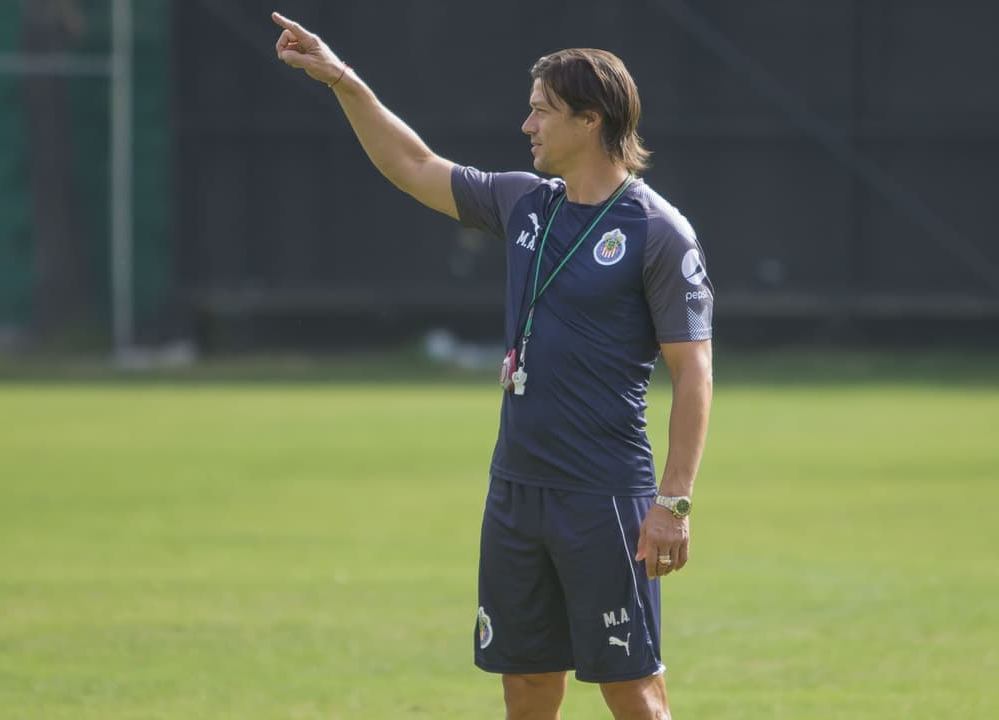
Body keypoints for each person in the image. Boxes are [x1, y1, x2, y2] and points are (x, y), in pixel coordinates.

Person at [272, 12, 713, 720]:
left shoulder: (658, 231)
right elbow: (413, 165)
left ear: (590, 120)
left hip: (603, 495)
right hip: (515, 490)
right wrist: (341, 80)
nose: (526, 125)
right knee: (526, 689)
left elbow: (694, 373)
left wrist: (674, 503)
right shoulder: (523, 201)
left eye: (542, 111)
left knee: (633, 694)